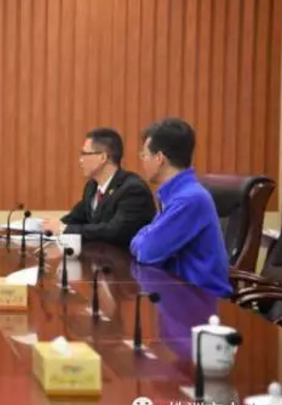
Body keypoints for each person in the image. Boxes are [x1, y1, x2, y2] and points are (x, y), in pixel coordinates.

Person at [130, 118, 232, 297]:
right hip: (177, 291)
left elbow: (147, 252)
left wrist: (142, 240)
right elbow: (145, 240)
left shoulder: (188, 199)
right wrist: (143, 240)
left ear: (159, 158)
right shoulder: (174, 194)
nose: (143, 161)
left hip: (200, 299)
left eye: (144, 155)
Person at [43, 128, 156, 247]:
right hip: (99, 256)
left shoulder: (133, 189)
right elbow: (75, 217)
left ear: (102, 157)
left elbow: (114, 231)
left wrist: (64, 229)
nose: (80, 160)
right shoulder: (92, 186)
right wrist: (48, 226)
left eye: (85, 154)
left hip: (125, 257)